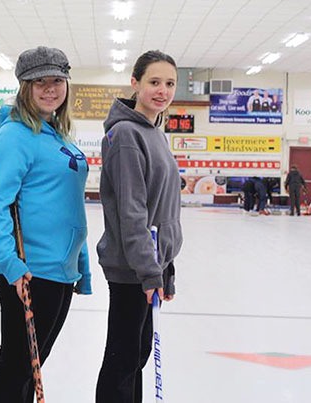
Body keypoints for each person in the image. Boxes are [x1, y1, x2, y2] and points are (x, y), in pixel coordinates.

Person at [0, 46, 92, 402]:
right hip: (29, 269)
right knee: (17, 367)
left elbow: (70, 205)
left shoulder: (56, 133)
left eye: (57, 80)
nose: (49, 88)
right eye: (39, 81)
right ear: (24, 87)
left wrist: (82, 266)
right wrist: (10, 264)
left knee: (32, 369)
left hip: (59, 270)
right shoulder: (15, 136)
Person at [95, 50, 183, 403]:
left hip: (149, 264)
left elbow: (163, 208)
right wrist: (149, 271)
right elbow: (132, 211)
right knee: (123, 357)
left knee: (137, 354)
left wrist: (166, 267)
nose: (162, 91)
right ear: (135, 83)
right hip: (130, 266)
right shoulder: (127, 134)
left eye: (170, 83)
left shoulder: (155, 132)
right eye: (154, 82)